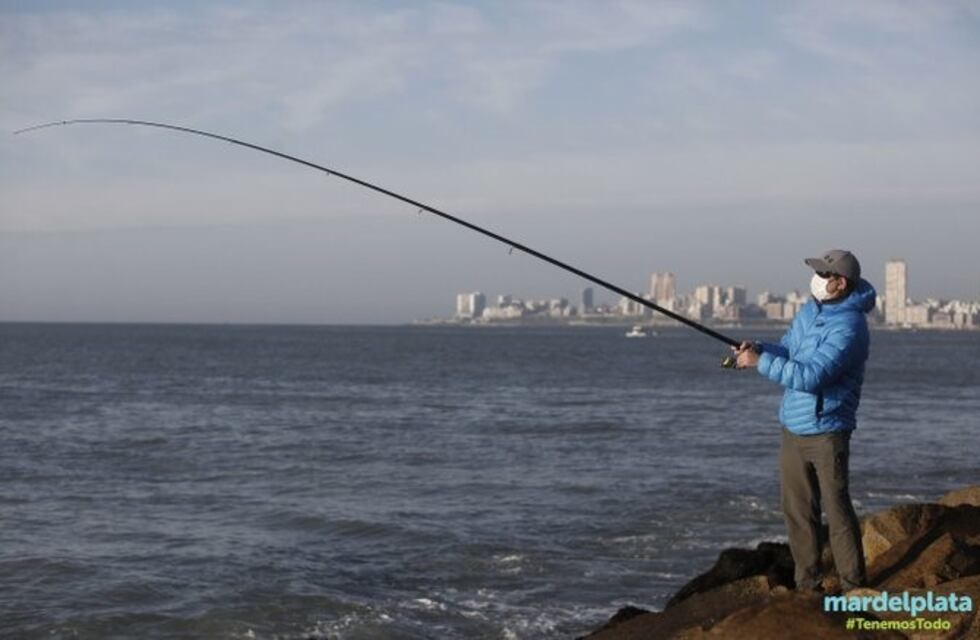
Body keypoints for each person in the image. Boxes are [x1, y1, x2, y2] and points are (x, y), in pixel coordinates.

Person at [732, 249, 876, 592]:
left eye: (824, 274)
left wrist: (759, 363)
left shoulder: (851, 327)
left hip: (828, 432)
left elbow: (811, 376)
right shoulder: (810, 311)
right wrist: (760, 349)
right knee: (797, 512)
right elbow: (789, 350)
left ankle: (854, 587)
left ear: (841, 283)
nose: (817, 279)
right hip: (793, 428)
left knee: (837, 512)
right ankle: (807, 586)